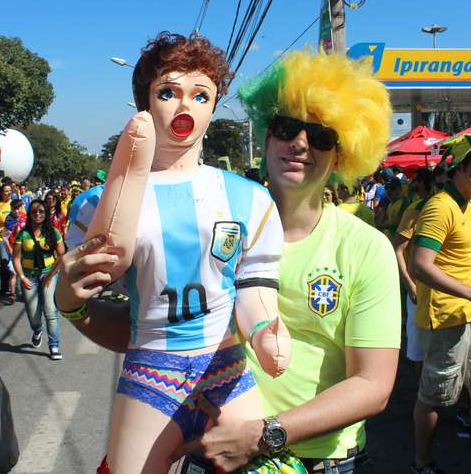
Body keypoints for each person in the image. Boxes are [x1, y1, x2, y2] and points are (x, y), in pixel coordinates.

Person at [55, 32, 290, 473]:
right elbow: (88, 285)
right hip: (150, 371)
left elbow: (254, 287)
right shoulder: (98, 204)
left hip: (227, 369)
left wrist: (264, 329)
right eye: (168, 92)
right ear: (144, 103)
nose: (185, 107)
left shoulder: (249, 199)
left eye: (201, 95)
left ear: (214, 105)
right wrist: (69, 299)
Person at [171, 50, 401, 472]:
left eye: (321, 136)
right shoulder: (210, 229)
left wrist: (263, 435)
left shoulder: (366, 247)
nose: (299, 143)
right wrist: (75, 305)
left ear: (341, 155)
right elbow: (148, 327)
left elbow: (373, 384)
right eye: (286, 128)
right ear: (266, 138)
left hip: (320, 462)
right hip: (213, 454)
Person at [409, 134, 471, 474]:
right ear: (458, 169)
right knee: (434, 397)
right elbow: (419, 265)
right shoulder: (440, 207)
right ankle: (422, 463)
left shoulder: (468, 203)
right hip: (446, 317)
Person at [392, 167, 434, 372]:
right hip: (419, 289)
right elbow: (397, 249)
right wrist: (409, 285)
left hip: (444, 292)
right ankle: (420, 386)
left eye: (414, 181)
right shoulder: (415, 209)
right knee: (419, 347)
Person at [13, 200, 65, 360]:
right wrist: (22, 277)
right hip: (29, 277)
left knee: (50, 310)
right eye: (34, 211)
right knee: (33, 313)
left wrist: (50, 275)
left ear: (46, 213)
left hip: (49, 274)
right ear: (29, 214)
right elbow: (16, 258)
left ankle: (54, 345)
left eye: (41, 211)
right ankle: (37, 330)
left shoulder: (53, 232)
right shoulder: (23, 234)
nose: (37, 214)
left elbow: (61, 255)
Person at [0, 184, 15, 301]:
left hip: (13, 238)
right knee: (4, 262)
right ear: (1, 193)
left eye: (10, 190)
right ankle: (4, 288)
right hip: (0, 238)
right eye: (6, 191)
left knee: (13, 263)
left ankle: (14, 289)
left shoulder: (15, 204)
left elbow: (22, 217)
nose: (9, 193)